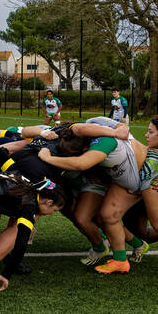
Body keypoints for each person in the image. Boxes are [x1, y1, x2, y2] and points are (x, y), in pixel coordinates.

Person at [38, 117, 158, 274]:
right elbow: (99, 124)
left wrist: (48, 158)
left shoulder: (104, 142)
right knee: (108, 216)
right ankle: (121, 261)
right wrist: (119, 127)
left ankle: (129, 250)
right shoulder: (91, 124)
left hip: (149, 173)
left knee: (156, 224)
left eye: (150, 131)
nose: (146, 134)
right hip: (129, 180)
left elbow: (82, 163)